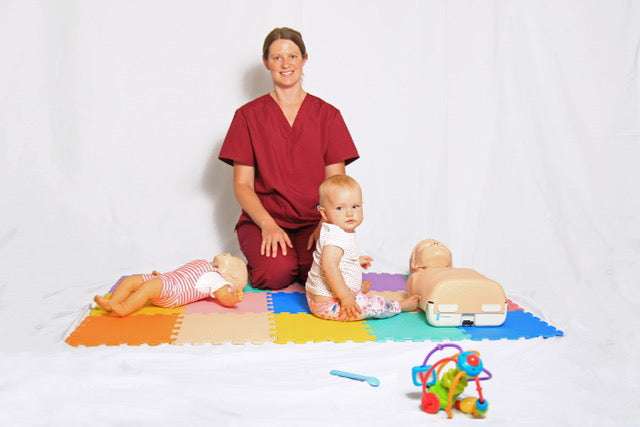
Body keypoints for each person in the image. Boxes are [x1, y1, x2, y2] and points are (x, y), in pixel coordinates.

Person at [218, 27, 359, 290]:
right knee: (275, 275)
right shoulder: (247, 116)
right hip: (264, 219)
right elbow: (242, 185)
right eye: (277, 58)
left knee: (325, 273)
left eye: (292, 56)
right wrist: (268, 225)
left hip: (315, 220)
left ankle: (301, 257)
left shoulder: (328, 115)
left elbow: (337, 183)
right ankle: (272, 259)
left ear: (304, 59)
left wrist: (326, 224)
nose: (286, 64)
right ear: (266, 62)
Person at [305, 175, 419, 321]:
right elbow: (329, 268)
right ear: (325, 214)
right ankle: (399, 306)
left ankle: (355, 292)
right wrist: (346, 297)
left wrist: (354, 261)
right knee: (372, 304)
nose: (350, 213)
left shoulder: (335, 230)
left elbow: (337, 258)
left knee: (357, 293)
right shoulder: (336, 238)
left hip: (319, 297)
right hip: (329, 305)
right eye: (340, 208)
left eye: (355, 206)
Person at [94, 254, 248, 317]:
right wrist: (161, 276)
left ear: (233, 276)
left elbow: (224, 297)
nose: (229, 254)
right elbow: (181, 275)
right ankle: (112, 303)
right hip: (166, 279)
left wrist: (232, 298)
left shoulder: (217, 279)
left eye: (233, 258)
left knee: (146, 289)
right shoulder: (207, 265)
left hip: (174, 293)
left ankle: (124, 308)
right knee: (130, 281)